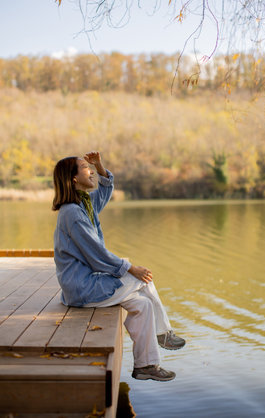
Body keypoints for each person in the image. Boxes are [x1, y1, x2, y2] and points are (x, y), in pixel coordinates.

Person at [52, 151, 185, 381]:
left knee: (143, 305)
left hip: (91, 283)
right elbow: (96, 255)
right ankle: (164, 333)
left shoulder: (83, 204)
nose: (90, 171)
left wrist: (100, 166)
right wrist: (129, 267)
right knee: (142, 278)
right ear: (73, 178)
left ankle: (145, 366)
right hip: (82, 287)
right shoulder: (72, 213)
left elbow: (104, 192)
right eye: (85, 168)